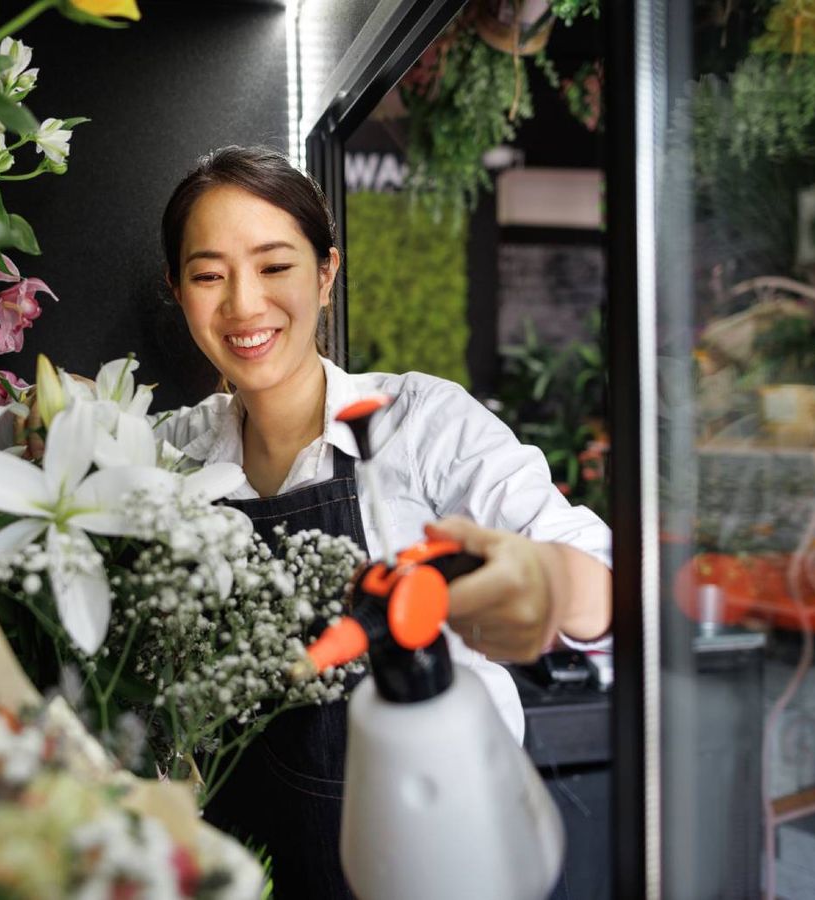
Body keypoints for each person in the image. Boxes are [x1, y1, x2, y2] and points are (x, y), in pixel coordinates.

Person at [154, 145, 611, 898]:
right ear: (177, 291)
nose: (244, 304)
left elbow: (599, 577)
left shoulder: (420, 424)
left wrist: (550, 583)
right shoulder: (169, 453)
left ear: (325, 273)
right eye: (208, 276)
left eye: (275, 266)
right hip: (251, 869)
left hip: (449, 863)